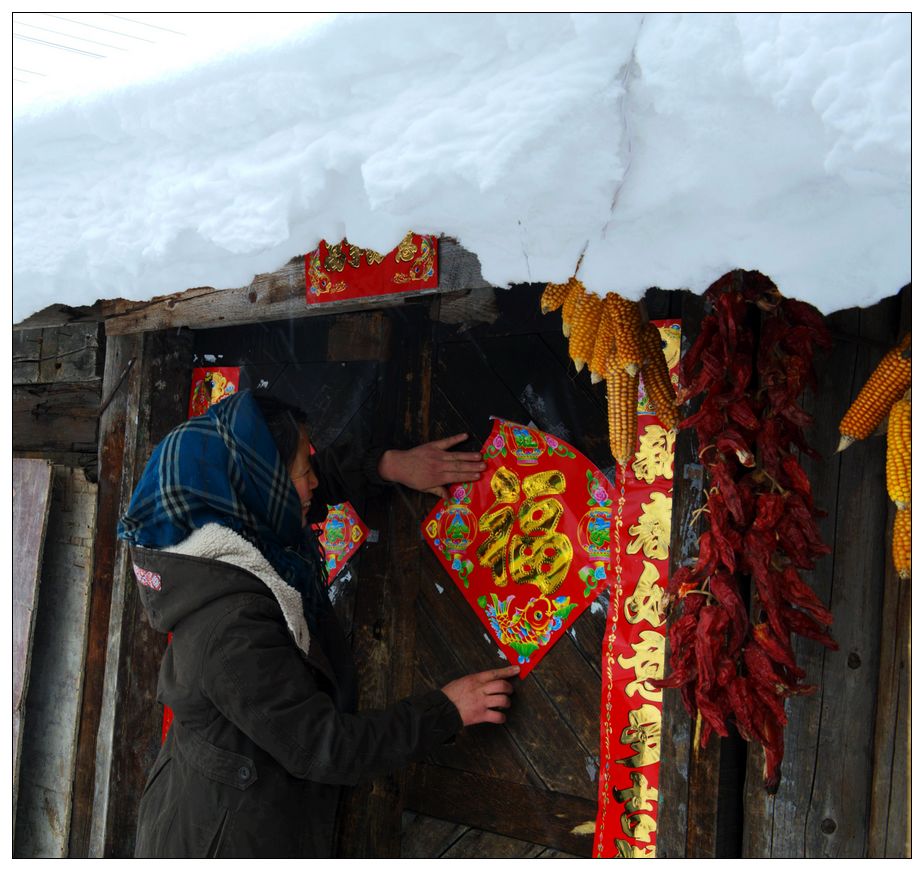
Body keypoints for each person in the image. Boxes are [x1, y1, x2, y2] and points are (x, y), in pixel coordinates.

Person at [118, 389, 518, 858]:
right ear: (260, 488)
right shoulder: (232, 630)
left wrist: (387, 465)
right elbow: (325, 748)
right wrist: (445, 711)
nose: (312, 483)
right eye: (302, 472)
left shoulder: (226, 529)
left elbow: (300, 483)